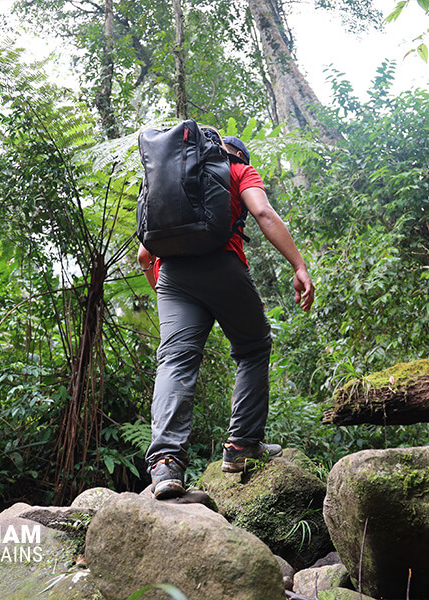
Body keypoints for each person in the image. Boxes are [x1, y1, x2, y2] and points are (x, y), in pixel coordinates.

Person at [137, 130, 314, 500]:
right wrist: (299, 266)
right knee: (253, 347)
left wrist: (165, 289)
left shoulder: (178, 174)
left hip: (172, 274)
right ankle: (241, 445)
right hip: (222, 265)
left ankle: (166, 465)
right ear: (239, 155)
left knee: (175, 360)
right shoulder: (239, 170)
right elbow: (262, 212)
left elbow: (143, 255)